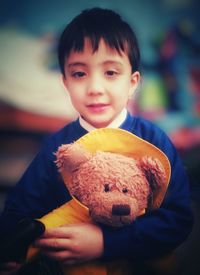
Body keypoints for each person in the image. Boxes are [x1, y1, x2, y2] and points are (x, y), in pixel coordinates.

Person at [0, 7, 193, 275]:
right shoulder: (58, 147)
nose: (95, 88)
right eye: (79, 74)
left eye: (111, 73)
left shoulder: (154, 141)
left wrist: (105, 243)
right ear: (66, 82)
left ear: (133, 82)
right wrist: (11, 247)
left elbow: (178, 219)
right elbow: (21, 206)